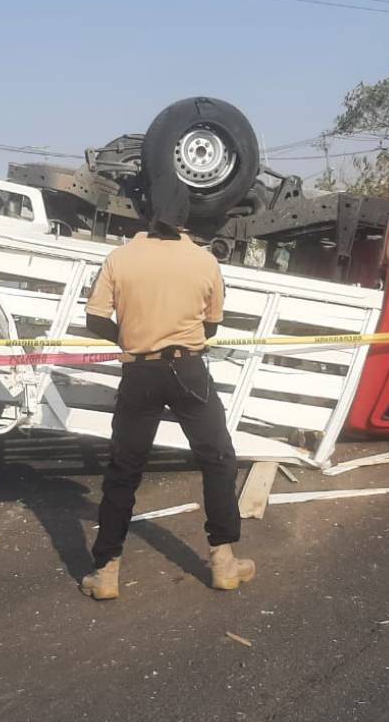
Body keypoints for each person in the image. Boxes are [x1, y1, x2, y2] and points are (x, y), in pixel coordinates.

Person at [78, 170, 253, 601]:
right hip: (189, 371)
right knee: (217, 460)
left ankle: (106, 571)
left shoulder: (120, 258)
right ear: (185, 217)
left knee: (124, 469)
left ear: (146, 211)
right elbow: (212, 323)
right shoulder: (204, 260)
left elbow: (95, 318)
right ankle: (224, 561)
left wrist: (131, 337)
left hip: (140, 372)